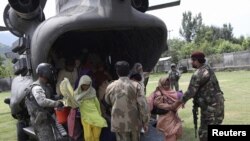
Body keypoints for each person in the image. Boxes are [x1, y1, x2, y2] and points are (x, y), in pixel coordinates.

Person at [173, 51, 225, 141]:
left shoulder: (198, 73)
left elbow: (190, 92)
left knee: (204, 133)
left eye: (192, 60)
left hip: (210, 108)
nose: (191, 62)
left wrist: (179, 102)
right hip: (219, 105)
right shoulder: (209, 68)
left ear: (197, 61)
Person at [105, 61, 150, 141]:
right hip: (134, 122)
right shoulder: (136, 85)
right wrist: (145, 121)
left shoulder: (110, 86)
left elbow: (107, 101)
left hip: (119, 123)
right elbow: (143, 105)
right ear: (129, 71)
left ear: (117, 72)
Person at [25, 63, 64, 141]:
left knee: (58, 138)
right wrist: (56, 103)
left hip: (48, 117)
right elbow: (42, 101)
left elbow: (49, 97)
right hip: (41, 121)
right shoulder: (36, 87)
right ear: (46, 73)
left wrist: (59, 98)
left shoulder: (46, 85)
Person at [147, 76, 183, 141]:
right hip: (164, 119)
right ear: (161, 84)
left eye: (168, 84)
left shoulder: (173, 92)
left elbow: (179, 99)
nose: (166, 86)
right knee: (165, 135)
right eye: (164, 85)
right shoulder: (158, 93)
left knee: (173, 134)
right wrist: (171, 106)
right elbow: (158, 104)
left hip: (173, 117)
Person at [74, 75, 107, 141]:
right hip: (86, 117)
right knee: (88, 136)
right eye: (84, 85)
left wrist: (100, 114)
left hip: (95, 116)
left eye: (87, 85)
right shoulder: (77, 94)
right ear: (80, 84)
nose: (86, 87)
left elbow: (97, 103)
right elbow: (74, 104)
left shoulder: (93, 91)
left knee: (96, 135)